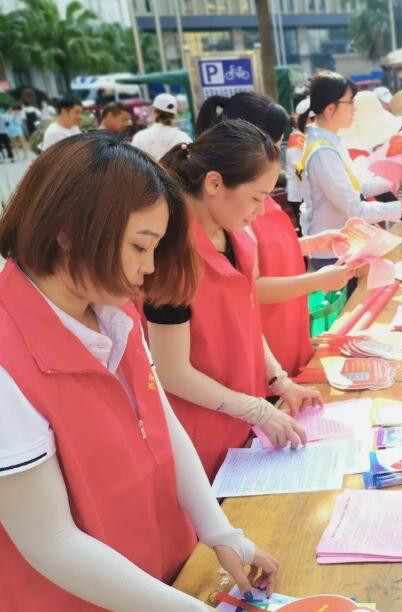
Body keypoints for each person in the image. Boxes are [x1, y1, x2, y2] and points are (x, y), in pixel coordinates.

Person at [0, 131, 279, 610]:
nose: (148, 269)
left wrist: (220, 532)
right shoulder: (8, 355)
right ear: (67, 232)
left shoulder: (113, 311)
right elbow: (51, 542)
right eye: (139, 246)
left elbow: (162, 423)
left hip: (161, 577)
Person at [147, 119, 320, 479]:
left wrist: (279, 381)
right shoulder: (172, 257)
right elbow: (172, 372)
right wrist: (257, 410)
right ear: (214, 183)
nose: (261, 210)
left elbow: (247, 322)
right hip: (200, 431)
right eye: (256, 198)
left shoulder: (236, 237)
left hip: (242, 418)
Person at [196, 91, 353, 377]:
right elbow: (251, 286)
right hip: (268, 343)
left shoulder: (254, 194)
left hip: (287, 332)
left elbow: (267, 252)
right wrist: (318, 280)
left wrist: (312, 243)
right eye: (276, 143)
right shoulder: (235, 206)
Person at [296, 71, 402, 271]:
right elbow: (354, 209)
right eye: (350, 103)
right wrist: (401, 206)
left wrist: (392, 179)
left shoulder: (330, 143)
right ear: (331, 109)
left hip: (341, 248)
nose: (354, 109)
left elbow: (358, 186)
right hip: (332, 255)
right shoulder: (323, 153)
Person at [131, 93, 191, 161]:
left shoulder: (140, 137)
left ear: (154, 111)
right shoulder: (182, 137)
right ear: (174, 115)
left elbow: (133, 161)